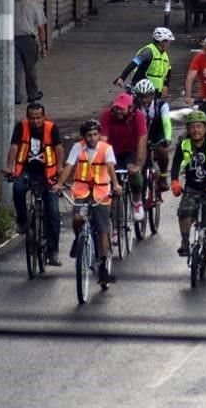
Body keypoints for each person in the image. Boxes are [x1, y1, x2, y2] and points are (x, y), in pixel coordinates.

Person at [55, 119, 124, 287]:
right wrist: (58, 184)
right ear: (84, 137)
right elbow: (69, 167)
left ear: (99, 135)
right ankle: (79, 239)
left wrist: (115, 185)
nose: (92, 138)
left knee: (102, 229)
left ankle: (102, 266)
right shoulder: (77, 148)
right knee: (77, 218)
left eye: (95, 134)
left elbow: (109, 168)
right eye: (89, 135)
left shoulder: (107, 149)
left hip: (101, 191)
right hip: (82, 189)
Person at [5, 102, 65, 265]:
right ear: (27, 117)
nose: (35, 121)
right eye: (32, 118)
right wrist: (10, 167)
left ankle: (53, 251)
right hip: (27, 170)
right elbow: (14, 147)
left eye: (38, 118)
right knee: (18, 188)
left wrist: (59, 168)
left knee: (53, 210)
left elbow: (59, 149)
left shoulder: (51, 128)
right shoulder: (21, 127)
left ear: (44, 117)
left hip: (48, 173)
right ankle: (23, 221)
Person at [171, 110, 206, 261]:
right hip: (191, 187)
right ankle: (185, 241)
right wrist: (174, 181)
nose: (196, 130)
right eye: (192, 127)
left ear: (205, 128)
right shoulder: (184, 144)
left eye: (199, 126)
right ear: (188, 129)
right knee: (184, 211)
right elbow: (176, 164)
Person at [98, 92, 147, 220]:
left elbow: (142, 140)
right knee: (112, 187)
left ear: (130, 108)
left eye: (122, 109)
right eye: (116, 108)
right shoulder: (107, 115)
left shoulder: (138, 116)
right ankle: (115, 226)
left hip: (131, 151)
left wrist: (138, 165)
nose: (118, 111)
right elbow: (103, 140)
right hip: (113, 152)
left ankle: (137, 202)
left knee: (134, 174)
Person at [131, 78, 172, 192]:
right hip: (141, 134)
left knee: (162, 151)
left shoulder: (161, 105)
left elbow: (166, 123)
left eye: (147, 96)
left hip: (157, 132)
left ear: (153, 95)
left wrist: (167, 139)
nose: (144, 100)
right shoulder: (134, 107)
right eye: (141, 96)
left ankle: (163, 176)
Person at [14, 0, 47, 104]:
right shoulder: (34, 6)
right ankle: (32, 94)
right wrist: (43, 46)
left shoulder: (11, 5)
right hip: (28, 41)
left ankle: (16, 96)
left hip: (13, 40)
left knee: (16, 70)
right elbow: (41, 28)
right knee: (30, 69)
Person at [115, 27, 174, 95]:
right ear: (162, 42)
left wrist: (165, 86)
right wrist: (122, 78)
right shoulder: (148, 52)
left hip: (156, 92)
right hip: (141, 91)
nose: (169, 44)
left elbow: (168, 71)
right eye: (168, 41)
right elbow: (133, 63)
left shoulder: (165, 55)